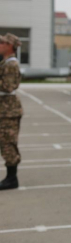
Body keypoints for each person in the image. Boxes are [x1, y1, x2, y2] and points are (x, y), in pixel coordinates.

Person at [0, 33, 23, 190]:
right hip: (5, 108)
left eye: (2, 43)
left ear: (9, 46)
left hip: (8, 110)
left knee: (8, 143)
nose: (0, 45)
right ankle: (10, 177)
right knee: (5, 142)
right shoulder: (6, 62)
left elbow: (8, 87)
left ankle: (11, 178)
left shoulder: (11, 64)